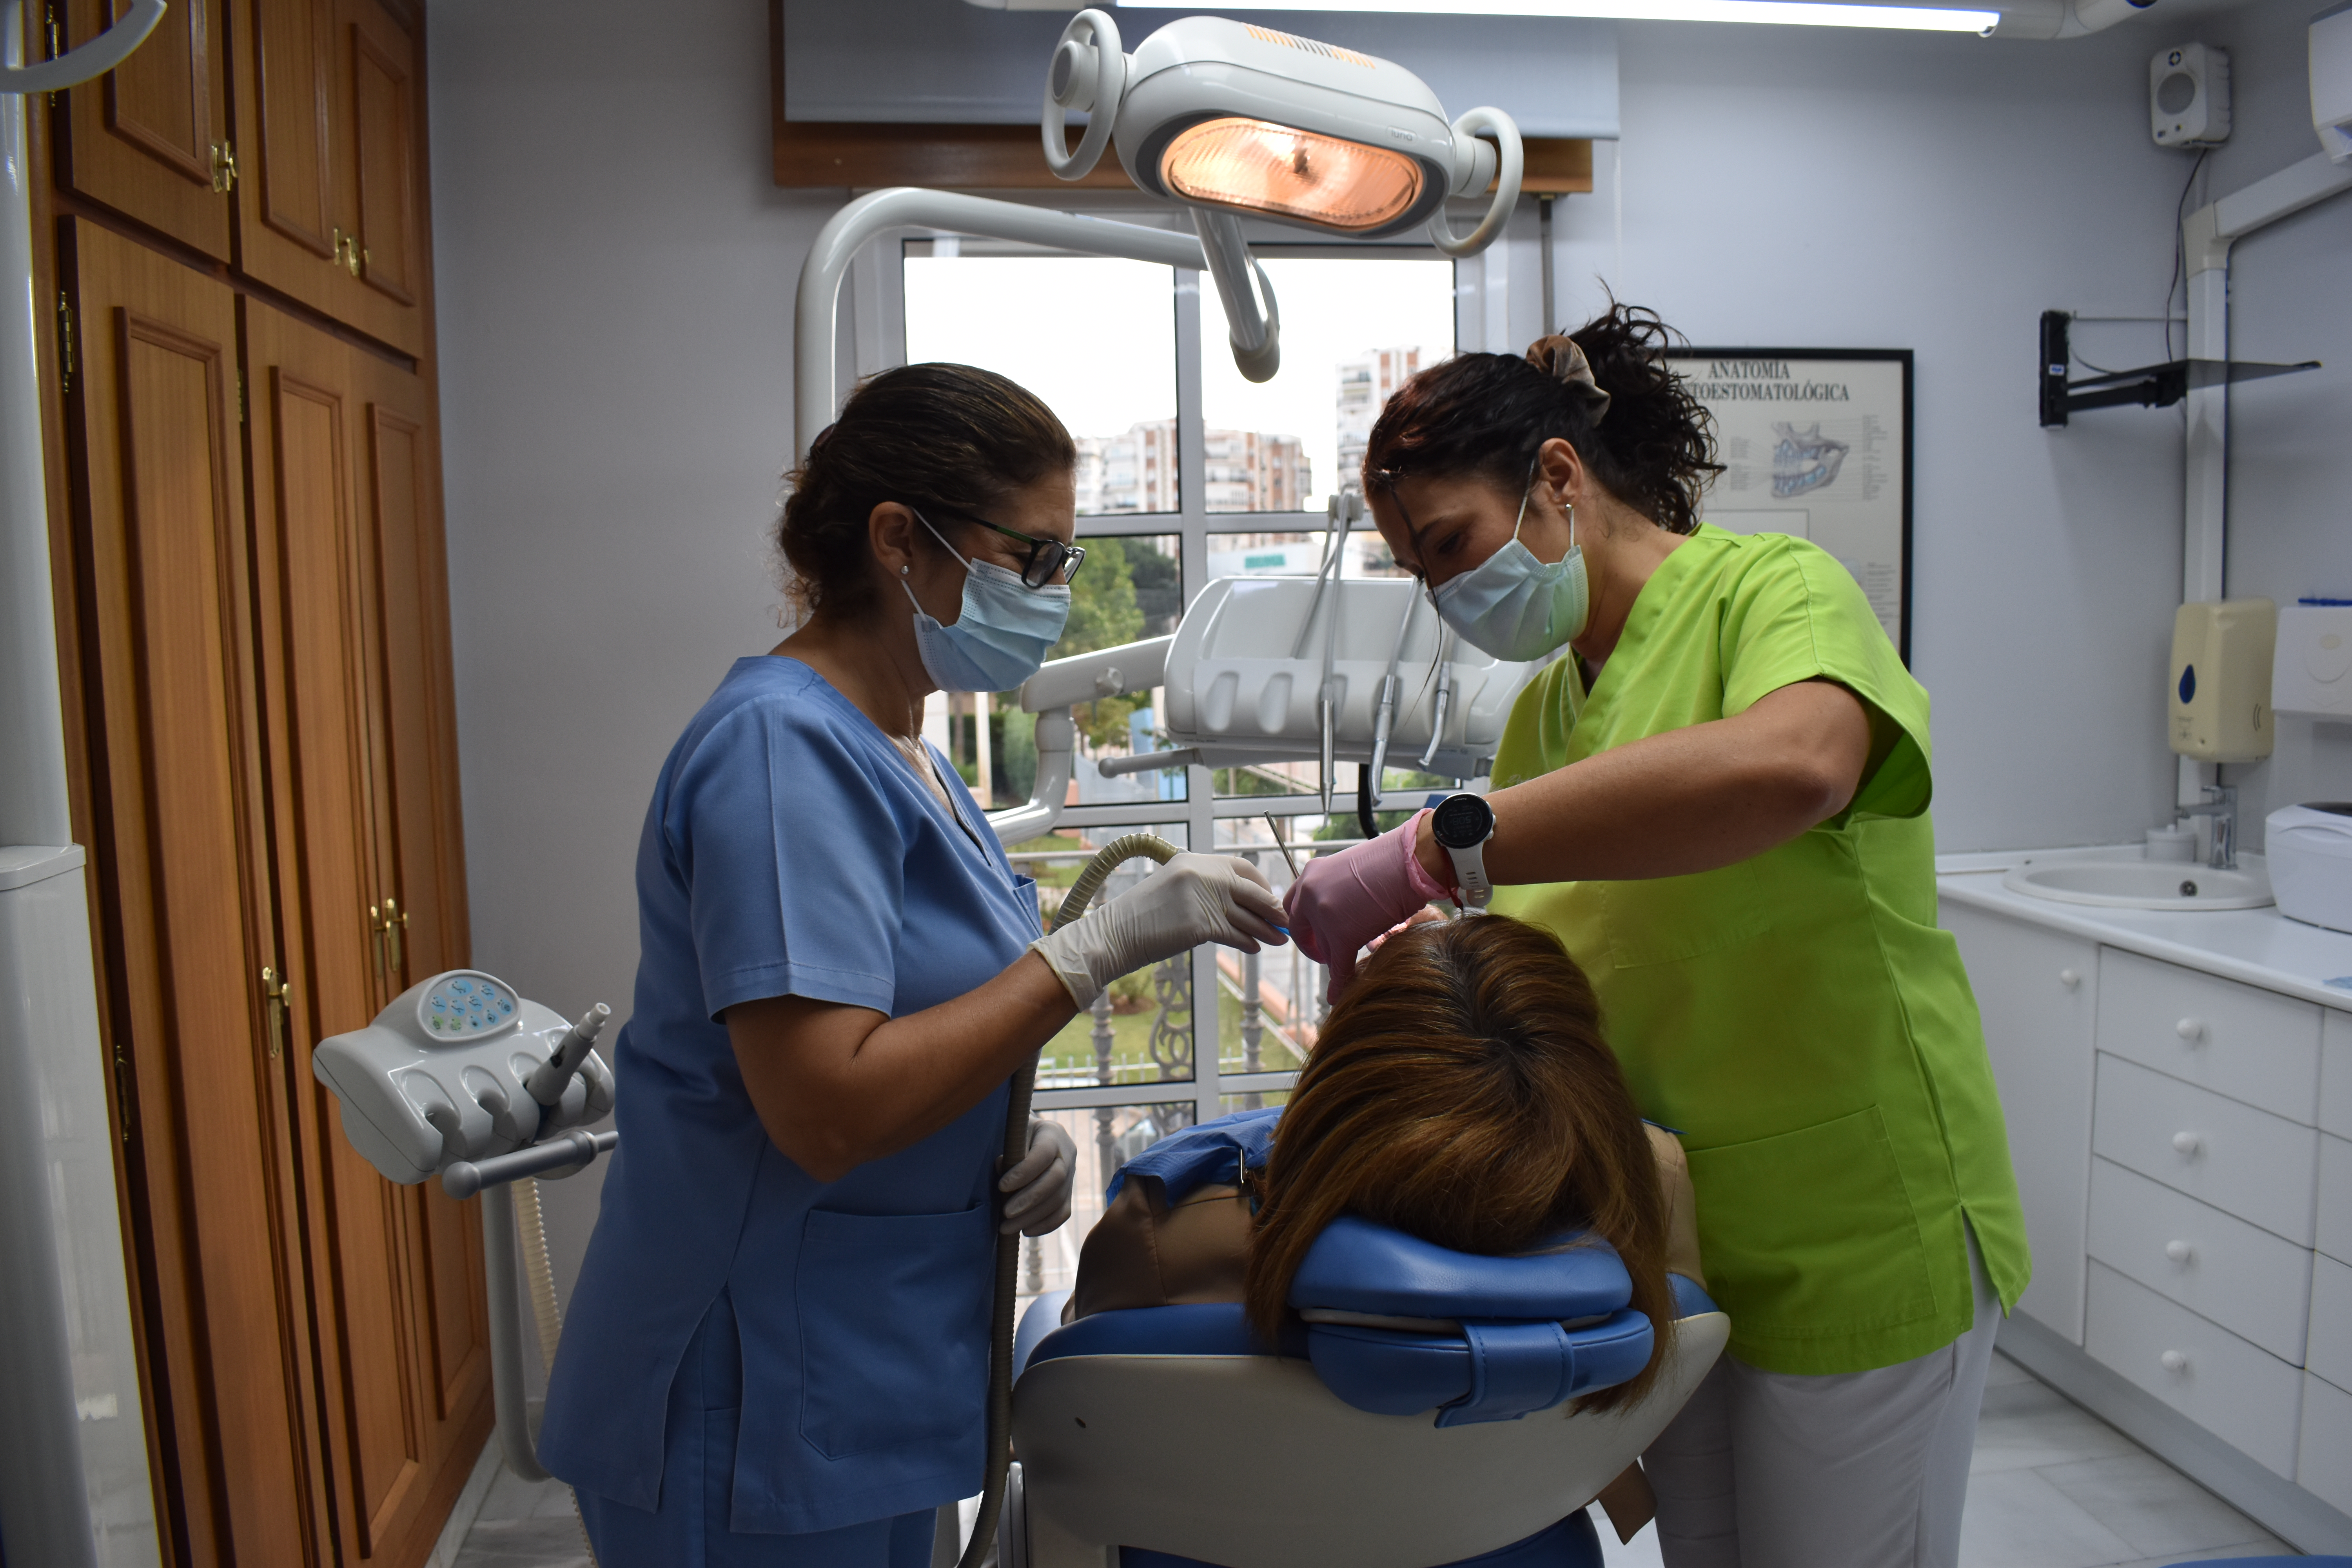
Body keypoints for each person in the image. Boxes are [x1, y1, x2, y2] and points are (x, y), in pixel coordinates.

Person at [1279, 305, 2029, 1568]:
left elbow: (1797, 767)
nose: (1449, 593)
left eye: (1453, 545)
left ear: (1558, 479)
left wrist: (1427, 846)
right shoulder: (1539, 721)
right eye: (1420, 574)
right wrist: (1408, 967)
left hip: (1855, 1218)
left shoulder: (1771, 592)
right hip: (1674, 1241)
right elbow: (1562, 968)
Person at [538, 363, 1287, 1567]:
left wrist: (993, 1139)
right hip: (750, 1399)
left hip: (864, 1376)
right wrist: (1095, 950)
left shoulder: (911, 753)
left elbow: (930, 1022)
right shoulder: (781, 753)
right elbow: (827, 1109)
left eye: (1065, 566)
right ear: (899, 539)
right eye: (1030, 559)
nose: (1048, 594)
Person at [1067, 913, 1702, 1544]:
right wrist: (1459, 965)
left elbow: (1077, 1386)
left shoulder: (1171, 1224)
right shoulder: (1654, 1184)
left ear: (1338, 1063)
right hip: (1516, 1544)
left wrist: (1427, 975)